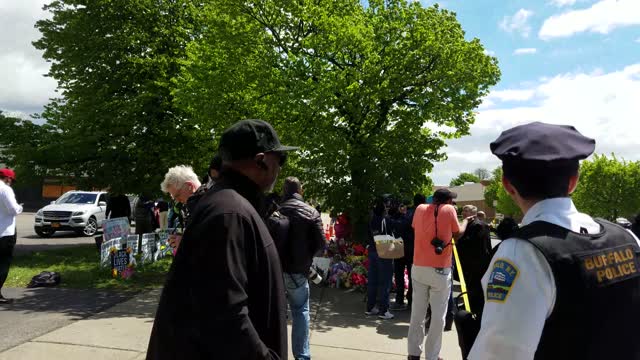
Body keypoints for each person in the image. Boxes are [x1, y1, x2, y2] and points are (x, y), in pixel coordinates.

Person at [468, 122, 640, 360]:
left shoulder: (523, 253)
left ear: (508, 185)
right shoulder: (627, 239)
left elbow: (499, 353)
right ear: (574, 181)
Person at [147, 119, 297, 360]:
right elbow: (224, 315)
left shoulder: (229, 204)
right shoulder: (229, 213)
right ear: (261, 161)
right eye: (279, 159)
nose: (280, 168)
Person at [408, 188, 470, 360]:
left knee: (417, 313)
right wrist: (465, 221)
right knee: (438, 317)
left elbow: (416, 228)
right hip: (440, 270)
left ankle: (413, 353)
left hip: (418, 267)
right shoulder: (450, 210)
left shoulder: (420, 209)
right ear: (448, 201)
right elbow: (457, 234)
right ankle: (432, 356)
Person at [277, 177, 326, 360]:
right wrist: (307, 257)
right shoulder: (311, 212)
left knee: (277, 312)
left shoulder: (276, 210)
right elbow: (321, 244)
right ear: (301, 191)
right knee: (300, 312)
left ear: (284, 190)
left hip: (277, 269)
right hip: (299, 270)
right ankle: (302, 356)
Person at [455, 205, 492, 317]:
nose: (464, 213)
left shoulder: (478, 225)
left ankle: (474, 307)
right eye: (464, 210)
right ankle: (470, 304)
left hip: (477, 262)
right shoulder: (469, 224)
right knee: (470, 285)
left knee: (475, 285)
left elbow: (471, 243)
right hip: (470, 261)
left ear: (474, 213)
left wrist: (457, 242)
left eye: (467, 211)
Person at [366, 198, 396, 320]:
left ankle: (370, 307)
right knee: (385, 282)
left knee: (373, 280)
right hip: (384, 252)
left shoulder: (372, 220)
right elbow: (393, 231)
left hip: (373, 250)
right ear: (384, 209)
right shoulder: (386, 220)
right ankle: (384, 310)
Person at [160, 165, 201, 249]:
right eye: (174, 198)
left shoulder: (207, 206)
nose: (177, 200)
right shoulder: (193, 206)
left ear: (190, 186)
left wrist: (184, 243)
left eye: (178, 195)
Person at [0, 169, 22, 304]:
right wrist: (20, 208)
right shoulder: (5, 189)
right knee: (3, 263)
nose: (11, 183)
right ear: (8, 178)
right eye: (11, 180)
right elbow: (13, 209)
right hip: (5, 232)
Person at [391, 202, 412, 311]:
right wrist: (400, 213)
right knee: (399, 276)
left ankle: (407, 300)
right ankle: (400, 300)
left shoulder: (411, 215)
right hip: (401, 249)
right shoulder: (398, 216)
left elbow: (402, 225)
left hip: (407, 250)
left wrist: (403, 214)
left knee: (408, 277)